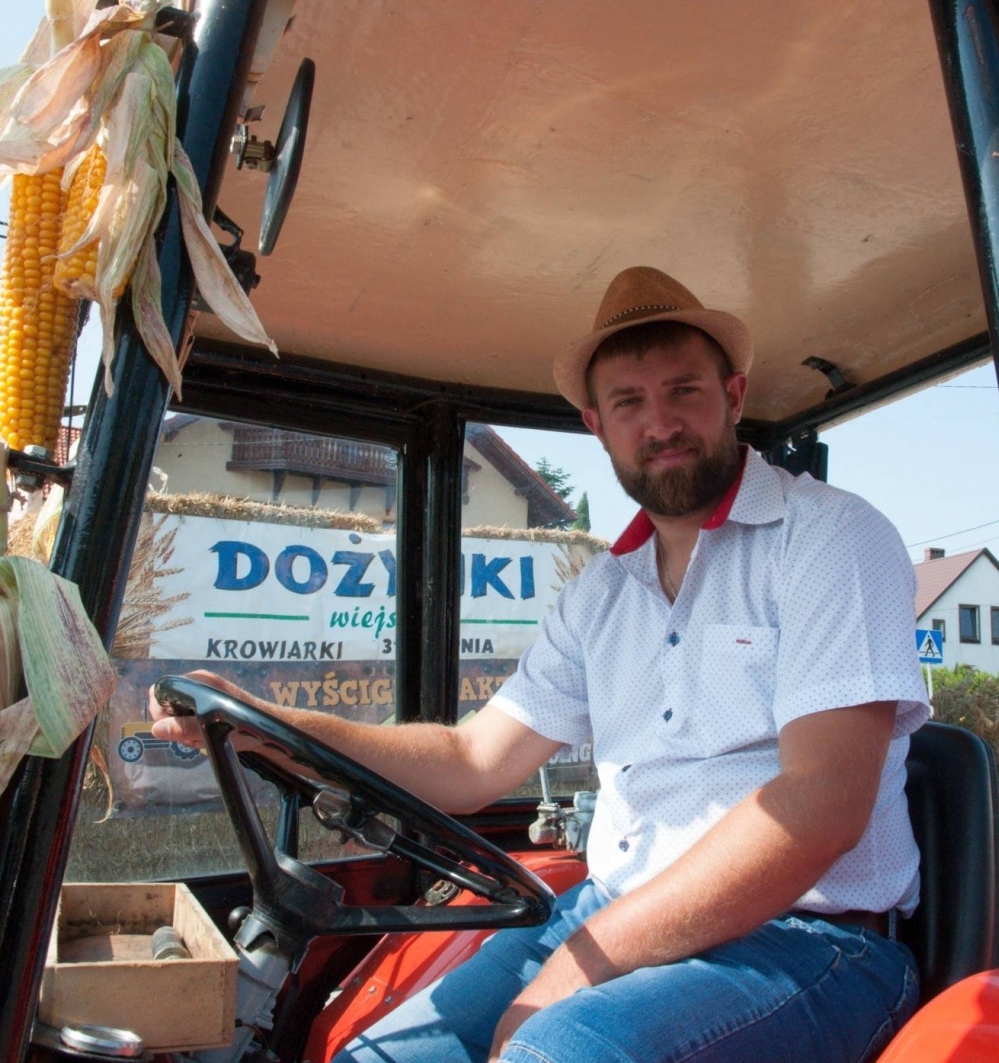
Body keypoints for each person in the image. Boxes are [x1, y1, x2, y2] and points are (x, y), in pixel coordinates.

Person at [150, 266, 930, 1063]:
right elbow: (471, 759)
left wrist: (571, 971)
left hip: (806, 942)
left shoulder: (830, 539)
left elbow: (822, 804)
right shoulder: (600, 593)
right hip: (611, 914)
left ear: (732, 395)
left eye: (684, 391)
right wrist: (267, 727)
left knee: (553, 1053)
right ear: (597, 423)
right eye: (629, 402)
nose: (660, 423)